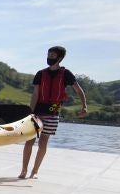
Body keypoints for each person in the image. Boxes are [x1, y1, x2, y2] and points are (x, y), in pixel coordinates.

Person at [20, 46, 88, 179]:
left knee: (43, 143)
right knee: (29, 141)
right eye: (48, 54)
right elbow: (35, 94)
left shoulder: (66, 74)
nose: (49, 57)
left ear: (60, 58)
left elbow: (78, 90)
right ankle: (24, 170)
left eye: (52, 55)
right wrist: (30, 112)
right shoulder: (40, 74)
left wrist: (84, 106)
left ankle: (34, 171)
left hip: (52, 112)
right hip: (37, 112)